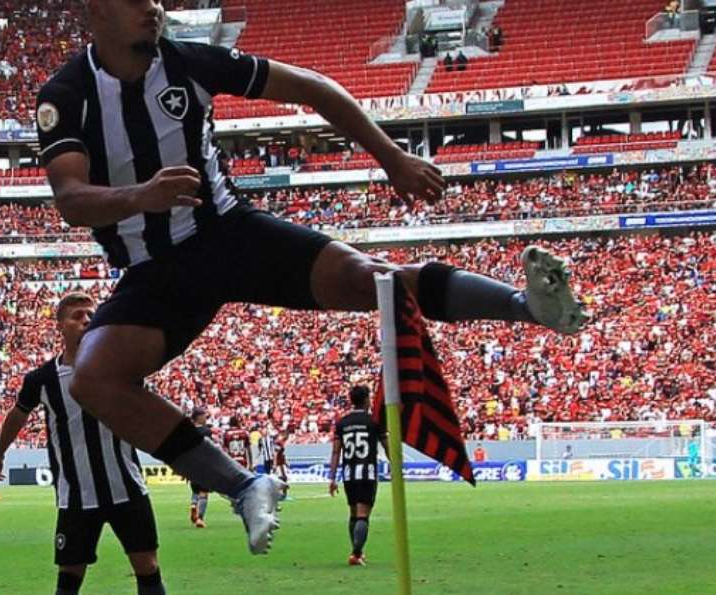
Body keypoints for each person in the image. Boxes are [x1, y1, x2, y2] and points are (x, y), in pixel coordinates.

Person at [37, 0, 586, 556]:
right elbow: (71, 199)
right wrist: (142, 195)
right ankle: (244, 485)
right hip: (156, 270)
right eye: (136, 0)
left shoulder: (191, 63)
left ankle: (526, 305)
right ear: (98, 11)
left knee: (371, 279)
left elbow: (315, 88)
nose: (153, 9)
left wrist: (392, 157)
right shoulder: (68, 94)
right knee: (92, 380)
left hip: (229, 234)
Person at [0, 293, 183, 595]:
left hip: (127, 488)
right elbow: (17, 415)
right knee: (69, 576)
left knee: (148, 565)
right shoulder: (42, 380)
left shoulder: (121, 369)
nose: (86, 319)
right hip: (76, 495)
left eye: (91, 315)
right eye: (77, 315)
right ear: (59, 324)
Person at [328, 385, 385, 566]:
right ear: (367, 400)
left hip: (348, 475)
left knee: (353, 514)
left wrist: (332, 477)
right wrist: (396, 464)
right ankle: (356, 553)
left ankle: (358, 552)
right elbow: (386, 444)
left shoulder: (342, 423)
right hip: (367, 473)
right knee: (362, 515)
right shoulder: (374, 421)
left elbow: (336, 452)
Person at [188, 407, 212, 528]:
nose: (205, 418)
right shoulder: (206, 431)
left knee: (195, 489)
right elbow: (209, 448)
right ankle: (200, 518)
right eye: (204, 416)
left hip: (192, 464)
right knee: (204, 492)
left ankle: (193, 505)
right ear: (199, 417)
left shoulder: (188, 431)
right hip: (203, 464)